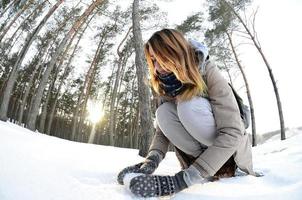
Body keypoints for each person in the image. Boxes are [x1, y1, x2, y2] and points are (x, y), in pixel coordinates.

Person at [117, 28, 256, 198]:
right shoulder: (164, 85)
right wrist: (150, 161)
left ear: (178, 53)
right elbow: (162, 131)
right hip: (197, 157)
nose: (158, 68)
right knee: (163, 113)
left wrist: (180, 182)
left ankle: (223, 169)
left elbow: (232, 132)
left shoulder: (208, 71)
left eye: (163, 59)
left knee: (187, 106)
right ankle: (203, 168)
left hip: (231, 156)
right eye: (153, 60)